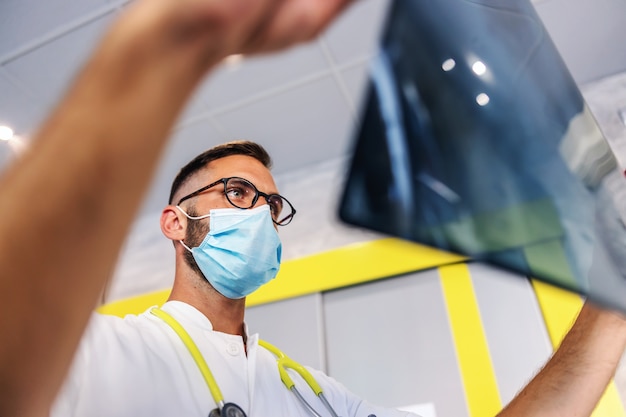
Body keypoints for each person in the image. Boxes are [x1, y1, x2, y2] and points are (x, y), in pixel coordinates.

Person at [0, 1, 625, 417]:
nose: (261, 217)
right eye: (239, 194)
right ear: (174, 223)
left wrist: (611, 304)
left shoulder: (315, 397)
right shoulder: (108, 354)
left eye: (272, 206)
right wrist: (170, 42)